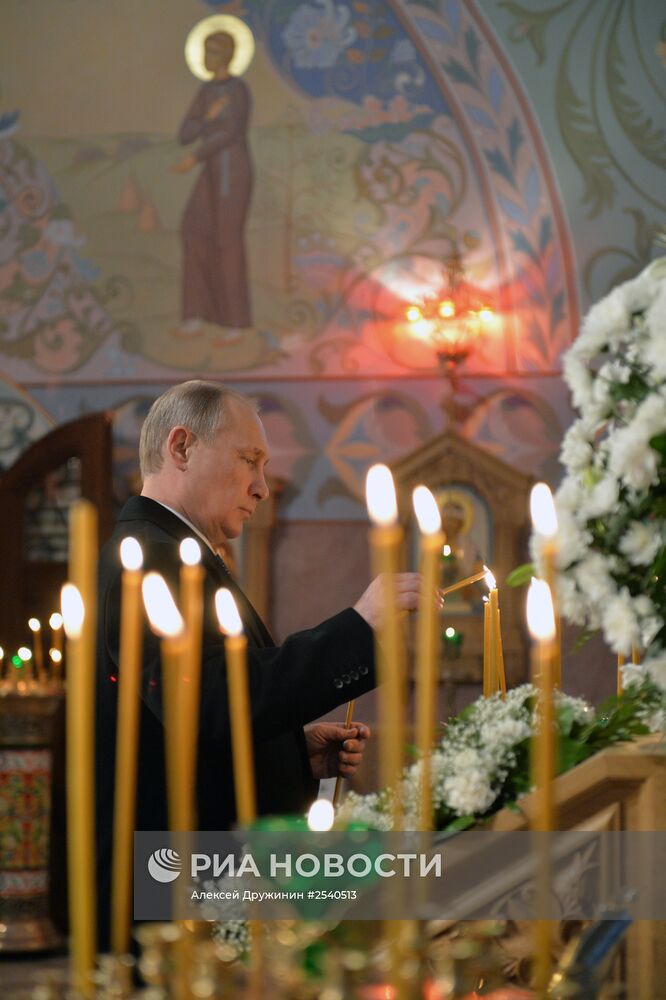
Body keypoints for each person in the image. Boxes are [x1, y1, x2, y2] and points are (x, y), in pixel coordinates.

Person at [95, 380, 420, 948]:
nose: (262, 487)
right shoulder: (152, 556)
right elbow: (207, 702)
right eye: (249, 460)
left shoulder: (174, 551)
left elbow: (203, 704)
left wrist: (293, 751)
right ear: (181, 448)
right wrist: (360, 624)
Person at [172, 31, 253, 332]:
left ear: (227, 56)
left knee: (226, 241)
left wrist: (195, 158)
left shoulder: (238, 90)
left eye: (213, 52)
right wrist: (207, 117)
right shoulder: (207, 91)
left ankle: (235, 322)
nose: (207, 58)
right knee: (193, 228)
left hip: (233, 172)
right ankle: (196, 314)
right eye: (205, 51)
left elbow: (231, 131)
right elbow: (185, 133)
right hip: (211, 173)